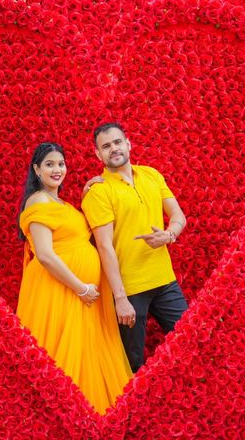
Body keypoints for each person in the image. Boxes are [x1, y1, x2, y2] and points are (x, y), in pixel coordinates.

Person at [16, 142, 131, 414]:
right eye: (49, 165)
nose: (57, 169)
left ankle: (84, 416)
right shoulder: (38, 201)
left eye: (61, 164)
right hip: (60, 291)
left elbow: (67, 231)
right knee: (61, 357)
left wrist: (85, 196)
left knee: (81, 354)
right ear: (37, 170)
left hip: (80, 295)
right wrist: (81, 288)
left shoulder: (63, 204)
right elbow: (45, 255)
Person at [81, 123, 188, 373]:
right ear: (98, 154)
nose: (114, 148)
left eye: (117, 142)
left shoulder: (151, 175)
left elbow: (178, 216)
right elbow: (105, 247)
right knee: (132, 363)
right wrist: (120, 298)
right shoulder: (98, 192)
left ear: (128, 143)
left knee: (189, 341)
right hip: (129, 290)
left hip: (165, 281)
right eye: (106, 146)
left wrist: (169, 235)